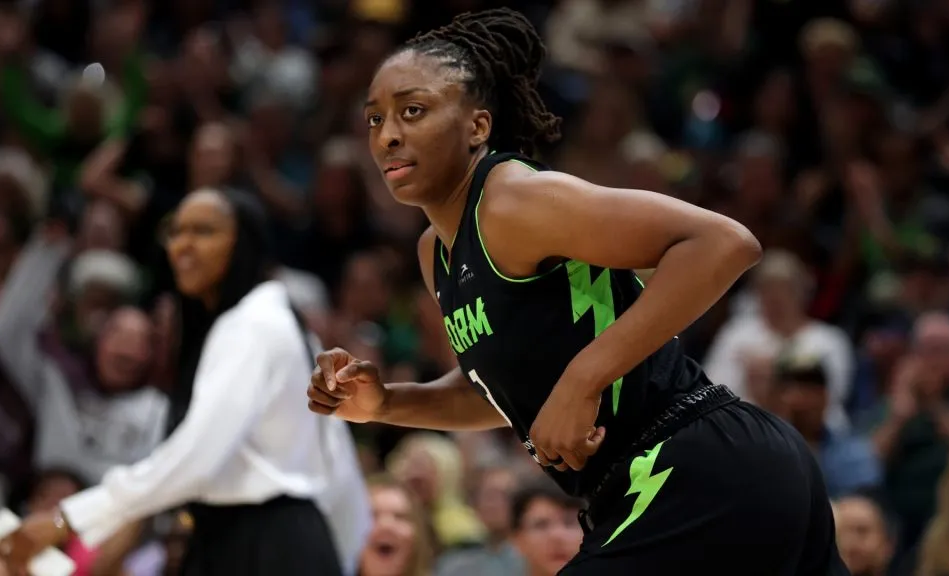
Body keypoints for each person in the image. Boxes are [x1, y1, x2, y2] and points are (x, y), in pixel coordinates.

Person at [308, 8, 848, 574]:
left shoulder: (513, 199)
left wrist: (583, 379)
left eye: (413, 111)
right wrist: (388, 403)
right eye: (375, 120)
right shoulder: (434, 252)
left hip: (694, 463)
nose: (389, 134)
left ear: (477, 126)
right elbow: (499, 396)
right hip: (675, 481)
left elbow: (724, 243)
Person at [3, 188, 370, 576]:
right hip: (259, 541)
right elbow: (340, 469)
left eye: (204, 231)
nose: (183, 246)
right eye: (176, 232)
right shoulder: (276, 323)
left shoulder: (254, 326)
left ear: (244, 242)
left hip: (265, 545)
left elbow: (196, 456)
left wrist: (70, 518)